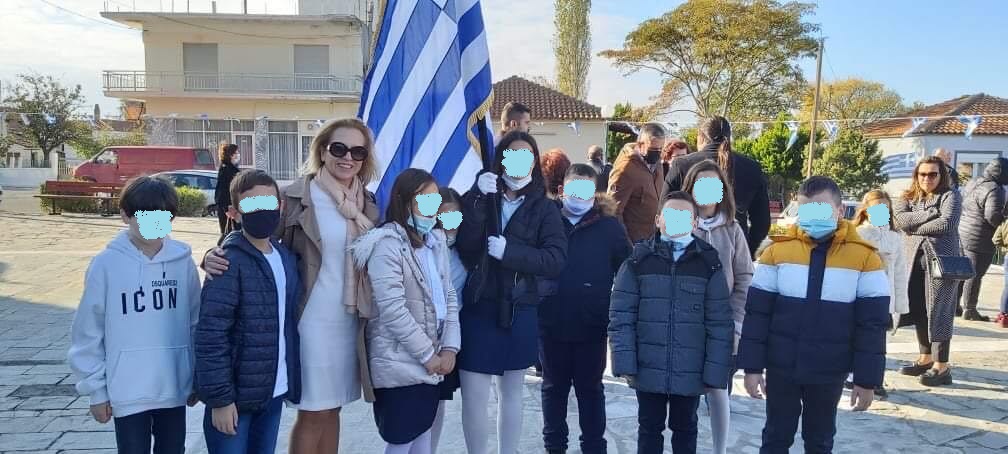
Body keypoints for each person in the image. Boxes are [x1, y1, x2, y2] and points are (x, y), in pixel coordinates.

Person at [202, 118, 381, 453]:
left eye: (357, 151)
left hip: (349, 321)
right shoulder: (295, 196)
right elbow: (253, 237)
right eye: (339, 148)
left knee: (333, 409)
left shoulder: (367, 203)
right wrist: (214, 252)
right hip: (309, 322)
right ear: (323, 151)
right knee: (314, 411)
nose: (348, 157)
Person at [738, 176, 890, 453]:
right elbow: (757, 314)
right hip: (782, 366)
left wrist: (866, 379)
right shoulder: (776, 251)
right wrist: (752, 367)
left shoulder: (865, 258)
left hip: (829, 369)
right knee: (775, 436)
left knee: (819, 439)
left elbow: (872, 324)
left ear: (840, 210)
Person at [68, 176, 201, 454]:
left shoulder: (182, 263)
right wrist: (96, 390)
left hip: (173, 386)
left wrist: (195, 378)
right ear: (125, 215)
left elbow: (195, 322)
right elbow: (88, 331)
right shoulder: (106, 264)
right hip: (127, 391)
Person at [455, 131, 567, 454]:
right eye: (512, 155)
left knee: (512, 393)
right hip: (480, 305)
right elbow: (465, 243)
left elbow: (555, 259)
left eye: (526, 156)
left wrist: (511, 253)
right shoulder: (482, 195)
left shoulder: (545, 208)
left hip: (519, 307)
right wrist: (476, 198)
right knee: (474, 396)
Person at [609, 191, 733, 454]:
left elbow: (720, 323)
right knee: (649, 428)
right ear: (658, 220)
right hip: (648, 366)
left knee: (686, 429)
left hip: (690, 369)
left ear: (695, 223)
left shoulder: (708, 264)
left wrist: (715, 372)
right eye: (671, 214)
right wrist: (624, 361)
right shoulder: (638, 261)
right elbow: (621, 315)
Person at [348, 169, 461, 454]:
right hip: (400, 362)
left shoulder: (435, 243)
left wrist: (450, 348)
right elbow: (392, 309)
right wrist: (427, 356)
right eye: (424, 200)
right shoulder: (387, 244)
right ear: (404, 201)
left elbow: (449, 295)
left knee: (423, 436)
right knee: (401, 439)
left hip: (433, 362)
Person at [196, 169, 302, 454]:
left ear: (280, 206)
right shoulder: (227, 262)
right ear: (234, 213)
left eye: (268, 204)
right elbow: (210, 335)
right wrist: (220, 399)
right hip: (234, 400)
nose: (262, 212)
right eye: (252, 205)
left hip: (273, 391)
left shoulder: (285, 258)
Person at [539, 164, 631, 454]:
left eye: (586, 190)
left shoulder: (610, 227)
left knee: (590, 390)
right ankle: (554, 447)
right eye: (574, 190)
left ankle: (593, 447)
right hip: (551, 321)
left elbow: (627, 270)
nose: (579, 197)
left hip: (592, 324)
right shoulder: (547, 220)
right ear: (562, 190)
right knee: (553, 389)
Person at [680, 160, 753, 454]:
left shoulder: (733, 229)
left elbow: (744, 276)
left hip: (721, 325)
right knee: (685, 397)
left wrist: (736, 321)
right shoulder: (679, 224)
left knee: (718, 390)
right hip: (685, 324)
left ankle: (719, 449)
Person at [893, 157, 963, 387]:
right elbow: (900, 221)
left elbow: (947, 223)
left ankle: (941, 366)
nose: (927, 178)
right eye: (922, 174)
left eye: (933, 174)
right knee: (919, 309)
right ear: (916, 175)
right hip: (913, 261)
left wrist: (914, 228)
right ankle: (925, 358)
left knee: (940, 310)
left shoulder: (951, 196)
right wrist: (930, 214)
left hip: (942, 262)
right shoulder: (907, 197)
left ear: (941, 175)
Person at [663, 116, 770, 258]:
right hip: (733, 250)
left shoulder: (681, 164)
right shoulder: (752, 167)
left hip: (688, 250)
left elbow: (665, 211)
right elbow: (762, 222)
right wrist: (747, 251)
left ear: (700, 138)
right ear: (729, 138)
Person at [850, 190, 910, 397]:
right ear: (866, 210)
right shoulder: (857, 234)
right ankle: (852, 376)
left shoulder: (895, 237)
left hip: (885, 298)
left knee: (877, 343)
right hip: (860, 296)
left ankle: (875, 380)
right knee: (856, 339)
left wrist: (899, 304)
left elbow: (900, 271)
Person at [431, 186, 466, 453]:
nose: (449, 223)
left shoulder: (466, 250)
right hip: (424, 334)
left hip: (451, 337)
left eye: (455, 216)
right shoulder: (425, 246)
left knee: (440, 399)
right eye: (444, 216)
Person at [956, 157, 1008, 321]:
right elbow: (992, 216)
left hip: (963, 233)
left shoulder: (974, 182)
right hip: (980, 238)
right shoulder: (995, 189)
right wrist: (1004, 222)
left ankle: (955, 306)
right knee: (975, 275)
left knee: (962, 273)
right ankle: (970, 309)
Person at [607, 122, 666, 243]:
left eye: (660, 149)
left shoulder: (657, 164)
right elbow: (613, 211)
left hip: (655, 239)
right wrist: (627, 244)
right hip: (636, 242)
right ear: (640, 145)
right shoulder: (625, 169)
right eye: (653, 149)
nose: (657, 153)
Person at [214, 143, 241, 238]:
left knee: (236, 232)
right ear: (231, 155)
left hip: (233, 206)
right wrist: (227, 207)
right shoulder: (226, 169)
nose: (238, 155)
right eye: (236, 153)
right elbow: (223, 190)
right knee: (228, 233)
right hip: (228, 207)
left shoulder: (232, 168)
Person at [992, 219, 1008, 328]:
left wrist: (1004, 249)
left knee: (1007, 287)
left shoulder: (1005, 221)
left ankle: (1003, 315)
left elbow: (996, 239)